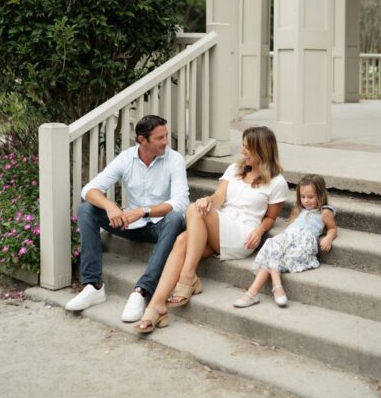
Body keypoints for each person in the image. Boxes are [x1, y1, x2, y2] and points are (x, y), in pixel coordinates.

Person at [134, 125, 290, 333]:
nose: (243, 152)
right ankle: (157, 307)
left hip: (242, 234)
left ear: (263, 150)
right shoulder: (235, 169)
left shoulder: (277, 182)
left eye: (248, 148)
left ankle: (188, 277)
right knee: (182, 239)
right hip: (220, 224)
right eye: (243, 147)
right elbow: (218, 199)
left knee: (193, 210)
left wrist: (260, 231)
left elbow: (271, 217)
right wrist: (207, 200)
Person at [65, 115, 189, 323]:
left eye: (166, 136)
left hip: (161, 226)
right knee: (87, 209)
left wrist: (143, 211)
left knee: (176, 218)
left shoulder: (174, 159)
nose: (166, 141)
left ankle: (141, 291)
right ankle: (93, 286)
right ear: (142, 140)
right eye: (160, 138)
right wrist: (111, 206)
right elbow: (89, 189)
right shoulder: (126, 158)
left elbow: (180, 202)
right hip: (130, 223)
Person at [232, 173, 338, 309]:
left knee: (271, 254)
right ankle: (270, 288)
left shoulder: (324, 212)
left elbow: (333, 229)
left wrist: (328, 238)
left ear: (321, 195)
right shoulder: (302, 210)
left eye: (310, 197)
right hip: (288, 237)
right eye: (303, 197)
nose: (306, 201)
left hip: (303, 243)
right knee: (272, 245)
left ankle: (256, 292)